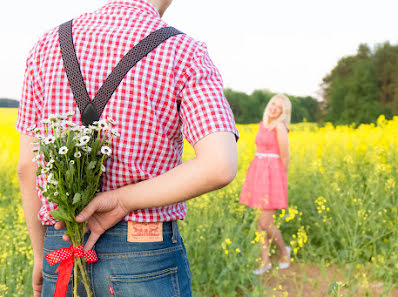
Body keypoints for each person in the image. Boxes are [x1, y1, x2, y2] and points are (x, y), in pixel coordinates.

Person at [16, 0, 239, 296]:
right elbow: (219, 165)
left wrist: (38, 254)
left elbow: (27, 167)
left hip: (61, 246)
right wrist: (121, 201)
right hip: (143, 250)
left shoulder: (47, 45)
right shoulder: (184, 51)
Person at [239, 94, 291, 275]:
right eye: (273, 104)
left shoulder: (280, 128)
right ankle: (265, 261)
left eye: (280, 107)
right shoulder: (262, 125)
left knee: (266, 222)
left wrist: (279, 182)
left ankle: (284, 252)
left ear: (283, 113)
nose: (274, 108)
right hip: (258, 173)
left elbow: (285, 157)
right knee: (260, 224)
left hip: (273, 177)